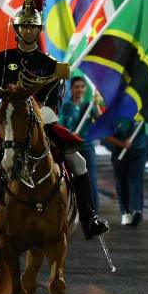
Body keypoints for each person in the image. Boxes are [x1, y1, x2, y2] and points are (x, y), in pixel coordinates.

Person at [0, 0, 110, 247]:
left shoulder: (50, 65)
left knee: (79, 162)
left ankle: (90, 218)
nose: (28, 31)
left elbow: (55, 102)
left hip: (42, 124)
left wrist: (36, 119)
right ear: (17, 29)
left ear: (38, 30)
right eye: (24, 26)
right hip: (5, 125)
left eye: (33, 27)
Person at [105, 107, 148, 227]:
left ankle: (137, 210)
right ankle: (125, 212)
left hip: (139, 151)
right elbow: (104, 133)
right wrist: (121, 143)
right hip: (119, 152)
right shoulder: (115, 108)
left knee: (135, 179)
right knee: (122, 182)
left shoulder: (143, 108)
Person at [57, 76, 100, 213]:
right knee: (68, 182)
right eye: (76, 87)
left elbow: (100, 122)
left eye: (82, 86)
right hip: (70, 149)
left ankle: (94, 215)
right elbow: (60, 126)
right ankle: (70, 212)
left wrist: (96, 105)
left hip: (87, 148)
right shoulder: (64, 106)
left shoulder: (89, 106)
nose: (79, 89)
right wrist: (70, 134)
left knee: (91, 182)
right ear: (71, 89)